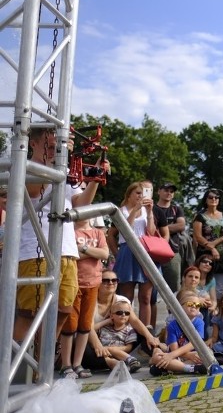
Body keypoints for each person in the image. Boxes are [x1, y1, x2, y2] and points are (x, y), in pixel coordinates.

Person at [14, 126, 103, 347]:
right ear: (33, 143)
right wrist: (57, 162)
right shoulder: (26, 167)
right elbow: (34, 192)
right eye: (51, 146)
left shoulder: (63, 171)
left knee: (63, 309)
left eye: (59, 147)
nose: (56, 151)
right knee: (30, 312)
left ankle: (40, 364)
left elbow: (81, 204)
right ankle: (13, 365)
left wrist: (95, 179)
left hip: (67, 250)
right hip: (35, 249)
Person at [58, 218, 109, 379]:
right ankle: (65, 364)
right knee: (70, 325)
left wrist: (83, 248)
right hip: (73, 283)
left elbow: (105, 253)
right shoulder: (69, 232)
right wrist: (92, 252)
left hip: (93, 283)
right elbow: (71, 256)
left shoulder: (98, 232)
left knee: (85, 325)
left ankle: (77, 364)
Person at [109, 181, 162, 328]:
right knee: (127, 296)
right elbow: (124, 231)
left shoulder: (147, 211)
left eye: (143, 193)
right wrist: (135, 210)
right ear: (129, 194)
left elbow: (151, 232)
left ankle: (145, 330)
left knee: (146, 296)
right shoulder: (121, 210)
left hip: (145, 251)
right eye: (137, 193)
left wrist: (150, 212)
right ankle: (125, 328)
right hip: (128, 251)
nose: (140, 196)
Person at [149, 295, 207, 376]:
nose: (194, 306)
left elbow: (195, 343)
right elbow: (174, 349)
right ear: (180, 307)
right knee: (157, 357)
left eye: (197, 305)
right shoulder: (172, 325)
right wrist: (185, 355)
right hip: (176, 355)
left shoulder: (199, 322)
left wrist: (189, 355)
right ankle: (192, 369)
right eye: (190, 304)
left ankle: (171, 369)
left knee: (205, 356)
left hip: (191, 355)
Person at [192, 187, 223, 295]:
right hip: (204, 255)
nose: (214, 199)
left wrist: (214, 244)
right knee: (202, 287)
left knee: (219, 289)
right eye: (210, 197)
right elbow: (198, 236)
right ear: (206, 199)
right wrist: (211, 247)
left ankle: (217, 311)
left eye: (216, 197)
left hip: (222, 258)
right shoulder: (200, 216)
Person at [85, 300, 142, 373]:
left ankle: (131, 360)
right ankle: (120, 366)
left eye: (127, 313)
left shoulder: (129, 330)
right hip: (104, 355)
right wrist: (106, 321)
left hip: (119, 354)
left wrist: (110, 349)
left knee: (112, 349)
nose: (123, 315)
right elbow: (90, 329)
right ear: (112, 316)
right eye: (119, 313)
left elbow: (128, 348)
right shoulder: (104, 328)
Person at [153, 181, 187, 292]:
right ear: (158, 191)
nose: (169, 193)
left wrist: (161, 229)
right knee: (150, 290)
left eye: (172, 191)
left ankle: (172, 310)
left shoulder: (176, 209)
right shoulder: (151, 208)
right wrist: (171, 227)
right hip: (152, 251)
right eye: (166, 190)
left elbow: (181, 225)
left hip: (172, 252)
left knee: (174, 289)